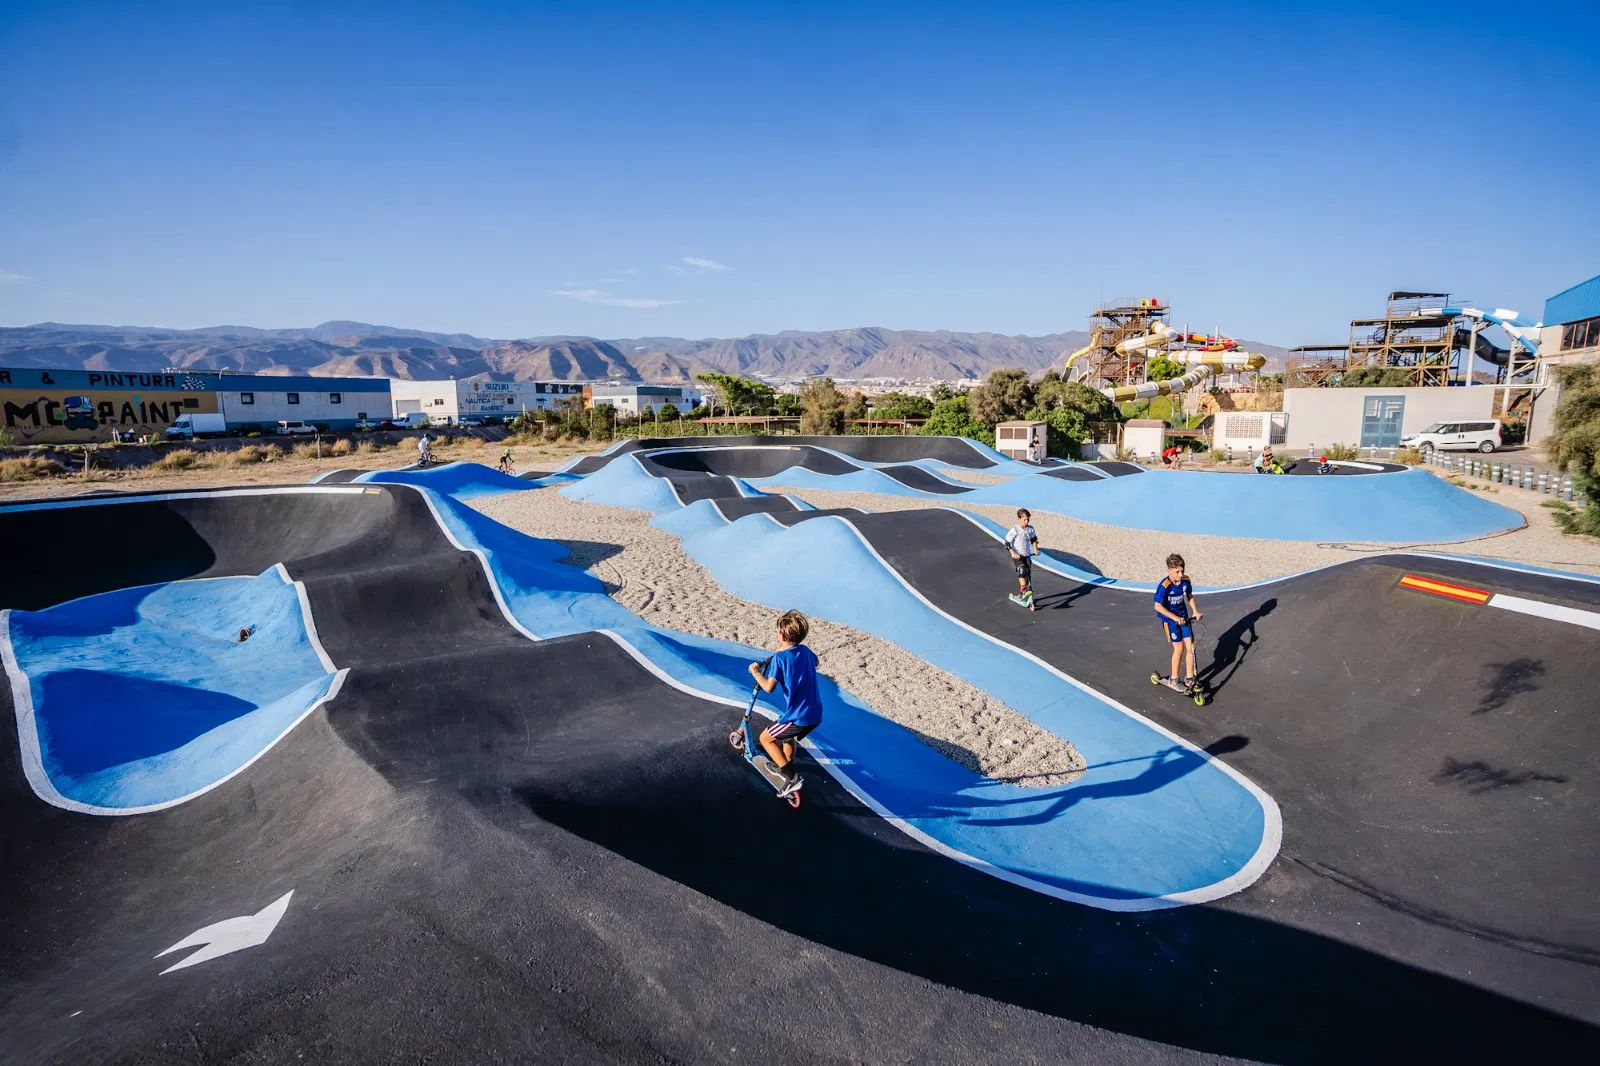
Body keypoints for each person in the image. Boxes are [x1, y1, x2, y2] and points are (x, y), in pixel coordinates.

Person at [748, 609, 823, 797]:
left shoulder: (779, 659)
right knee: (787, 737)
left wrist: (756, 672)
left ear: (781, 635)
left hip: (798, 717)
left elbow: (768, 687)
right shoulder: (805, 651)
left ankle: (792, 778)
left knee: (766, 739)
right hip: (814, 713)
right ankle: (785, 765)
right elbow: (816, 662)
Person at [1153, 552, 1204, 692]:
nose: (1181, 575)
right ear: (1169, 570)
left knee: (1190, 647)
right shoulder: (1165, 586)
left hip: (1184, 618)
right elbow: (1157, 606)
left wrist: (1195, 611)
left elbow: (1189, 595)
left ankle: (1189, 678)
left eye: (1182, 571)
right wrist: (1174, 618)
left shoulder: (1186, 581)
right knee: (1179, 648)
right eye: (1177, 572)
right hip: (1170, 621)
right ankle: (1174, 679)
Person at [1004, 507, 1040, 611]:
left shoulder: (1030, 529)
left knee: (1028, 577)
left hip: (1027, 555)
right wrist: (1013, 552)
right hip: (1018, 556)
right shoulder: (1015, 530)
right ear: (1019, 519)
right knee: (1022, 570)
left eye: (1028, 519)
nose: (1027, 521)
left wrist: (1036, 549)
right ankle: (1024, 591)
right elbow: (1007, 543)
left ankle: (1023, 595)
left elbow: (1034, 539)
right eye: (1024, 520)